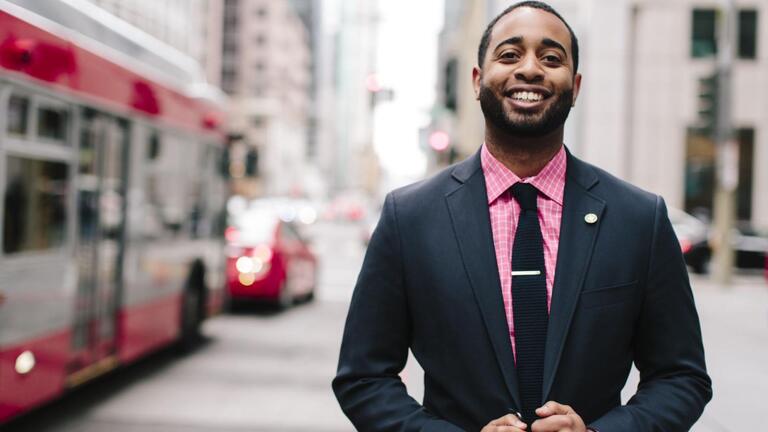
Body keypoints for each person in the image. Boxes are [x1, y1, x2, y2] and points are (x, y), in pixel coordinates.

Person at [332, 1, 712, 431]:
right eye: (509, 55)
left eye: (551, 58)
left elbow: (682, 377)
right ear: (477, 81)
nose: (530, 69)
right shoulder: (411, 218)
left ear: (576, 86)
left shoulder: (639, 219)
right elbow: (363, 377)